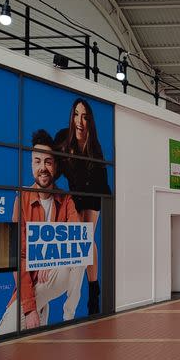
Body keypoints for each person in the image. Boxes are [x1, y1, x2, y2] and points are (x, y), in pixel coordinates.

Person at [0, 130, 82, 335]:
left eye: (48, 162)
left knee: (74, 262)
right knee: (6, 338)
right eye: (37, 161)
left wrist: (49, 260)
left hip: (55, 276)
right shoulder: (22, 199)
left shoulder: (66, 200)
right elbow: (17, 257)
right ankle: (36, 313)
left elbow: (77, 239)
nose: (42, 167)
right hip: (31, 284)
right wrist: (29, 307)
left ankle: (68, 314)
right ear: (31, 165)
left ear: (55, 166)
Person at [55, 98, 111, 316]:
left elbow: (99, 182)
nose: (80, 121)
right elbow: (55, 164)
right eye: (76, 114)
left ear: (90, 121)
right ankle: (73, 285)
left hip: (92, 193)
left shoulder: (94, 149)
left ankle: (93, 289)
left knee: (87, 238)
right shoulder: (63, 138)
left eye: (85, 116)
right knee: (78, 239)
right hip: (75, 193)